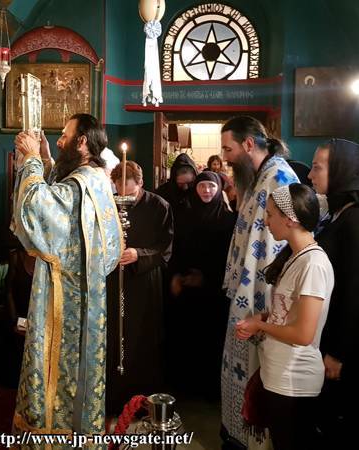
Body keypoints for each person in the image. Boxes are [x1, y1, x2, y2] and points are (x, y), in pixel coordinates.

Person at [11, 113, 123, 436]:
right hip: (89, 296)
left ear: (82, 141)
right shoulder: (97, 180)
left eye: (64, 135)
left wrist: (31, 160)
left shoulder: (81, 185)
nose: (58, 141)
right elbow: (66, 213)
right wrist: (47, 161)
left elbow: (36, 209)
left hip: (66, 301)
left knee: (58, 380)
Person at [218, 116, 298, 449]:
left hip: (263, 297)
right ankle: (237, 433)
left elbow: (284, 239)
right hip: (247, 292)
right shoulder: (259, 177)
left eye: (229, 148)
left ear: (249, 144)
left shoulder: (278, 177)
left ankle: (250, 437)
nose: (225, 156)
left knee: (256, 370)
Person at [235, 183, 334, 450]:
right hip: (279, 373)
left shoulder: (313, 264)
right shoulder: (296, 256)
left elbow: (303, 334)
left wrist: (260, 324)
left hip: (294, 379)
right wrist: (261, 320)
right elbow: (288, 314)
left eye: (270, 214)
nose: (266, 221)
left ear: (290, 219)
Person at [307, 138, 359, 448]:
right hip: (330, 328)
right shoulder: (340, 209)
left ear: (341, 170)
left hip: (345, 340)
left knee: (337, 417)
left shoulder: (358, 217)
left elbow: (353, 289)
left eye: (318, 167)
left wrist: (337, 353)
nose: (311, 175)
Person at [105, 161, 173, 416]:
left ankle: (142, 402)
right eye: (119, 191)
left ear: (141, 184)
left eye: (130, 193)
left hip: (144, 282)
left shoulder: (158, 206)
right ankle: (112, 399)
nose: (124, 198)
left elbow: (165, 249)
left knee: (142, 337)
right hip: (114, 279)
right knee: (115, 335)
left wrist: (139, 254)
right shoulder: (109, 203)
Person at [167, 171, 235, 398]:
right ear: (195, 188)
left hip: (212, 293)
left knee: (210, 341)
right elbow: (174, 249)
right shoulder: (183, 215)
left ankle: (209, 390)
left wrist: (206, 278)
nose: (206, 191)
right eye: (202, 186)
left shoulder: (228, 219)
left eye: (211, 187)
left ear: (219, 190)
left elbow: (229, 258)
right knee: (186, 341)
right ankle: (185, 388)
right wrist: (176, 275)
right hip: (186, 291)